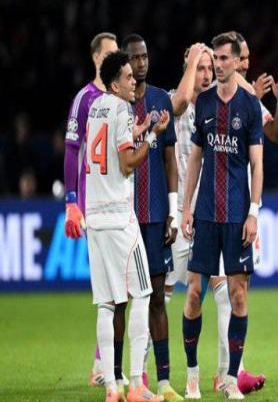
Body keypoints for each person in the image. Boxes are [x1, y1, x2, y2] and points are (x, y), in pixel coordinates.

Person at [180, 31, 263, 400]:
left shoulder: (249, 105)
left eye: (224, 58)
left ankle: (230, 378)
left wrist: (254, 212)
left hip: (236, 216)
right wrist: (186, 207)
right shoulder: (204, 103)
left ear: (236, 61)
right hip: (206, 214)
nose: (218, 64)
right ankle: (192, 375)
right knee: (194, 293)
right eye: (215, 58)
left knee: (238, 295)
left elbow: (258, 165)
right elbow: (196, 158)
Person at [85, 50, 167, 402]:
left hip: (95, 217)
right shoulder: (121, 108)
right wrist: (151, 137)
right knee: (144, 294)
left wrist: (136, 131)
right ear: (114, 84)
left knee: (106, 304)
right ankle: (135, 384)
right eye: (128, 77)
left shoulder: (95, 108)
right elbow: (127, 163)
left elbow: (105, 149)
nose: (134, 81)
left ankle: (111, 387)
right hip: (120, 218)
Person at [122, 34, 183, 401]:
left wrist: (173, 212)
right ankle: (121, 379)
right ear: (125, 63)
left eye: (145, 56)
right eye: (135, 58)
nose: (142, 63)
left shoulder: (161, 100)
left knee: (158, 297)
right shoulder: (117, 105)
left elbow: (170, 158)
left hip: (157, 215)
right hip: (124, 218)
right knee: (122, 300)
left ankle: (163, 381)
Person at [62, 32, 120, 387]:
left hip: (121, 205)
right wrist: (72, 202)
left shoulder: (121, 97)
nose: (115, 57)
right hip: (94, 207)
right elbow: (72, 150)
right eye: (110, 53)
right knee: (108, 288)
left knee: (121, 287)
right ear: (96, 57)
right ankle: (102, 366)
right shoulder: (84, 99)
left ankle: (109, 364)